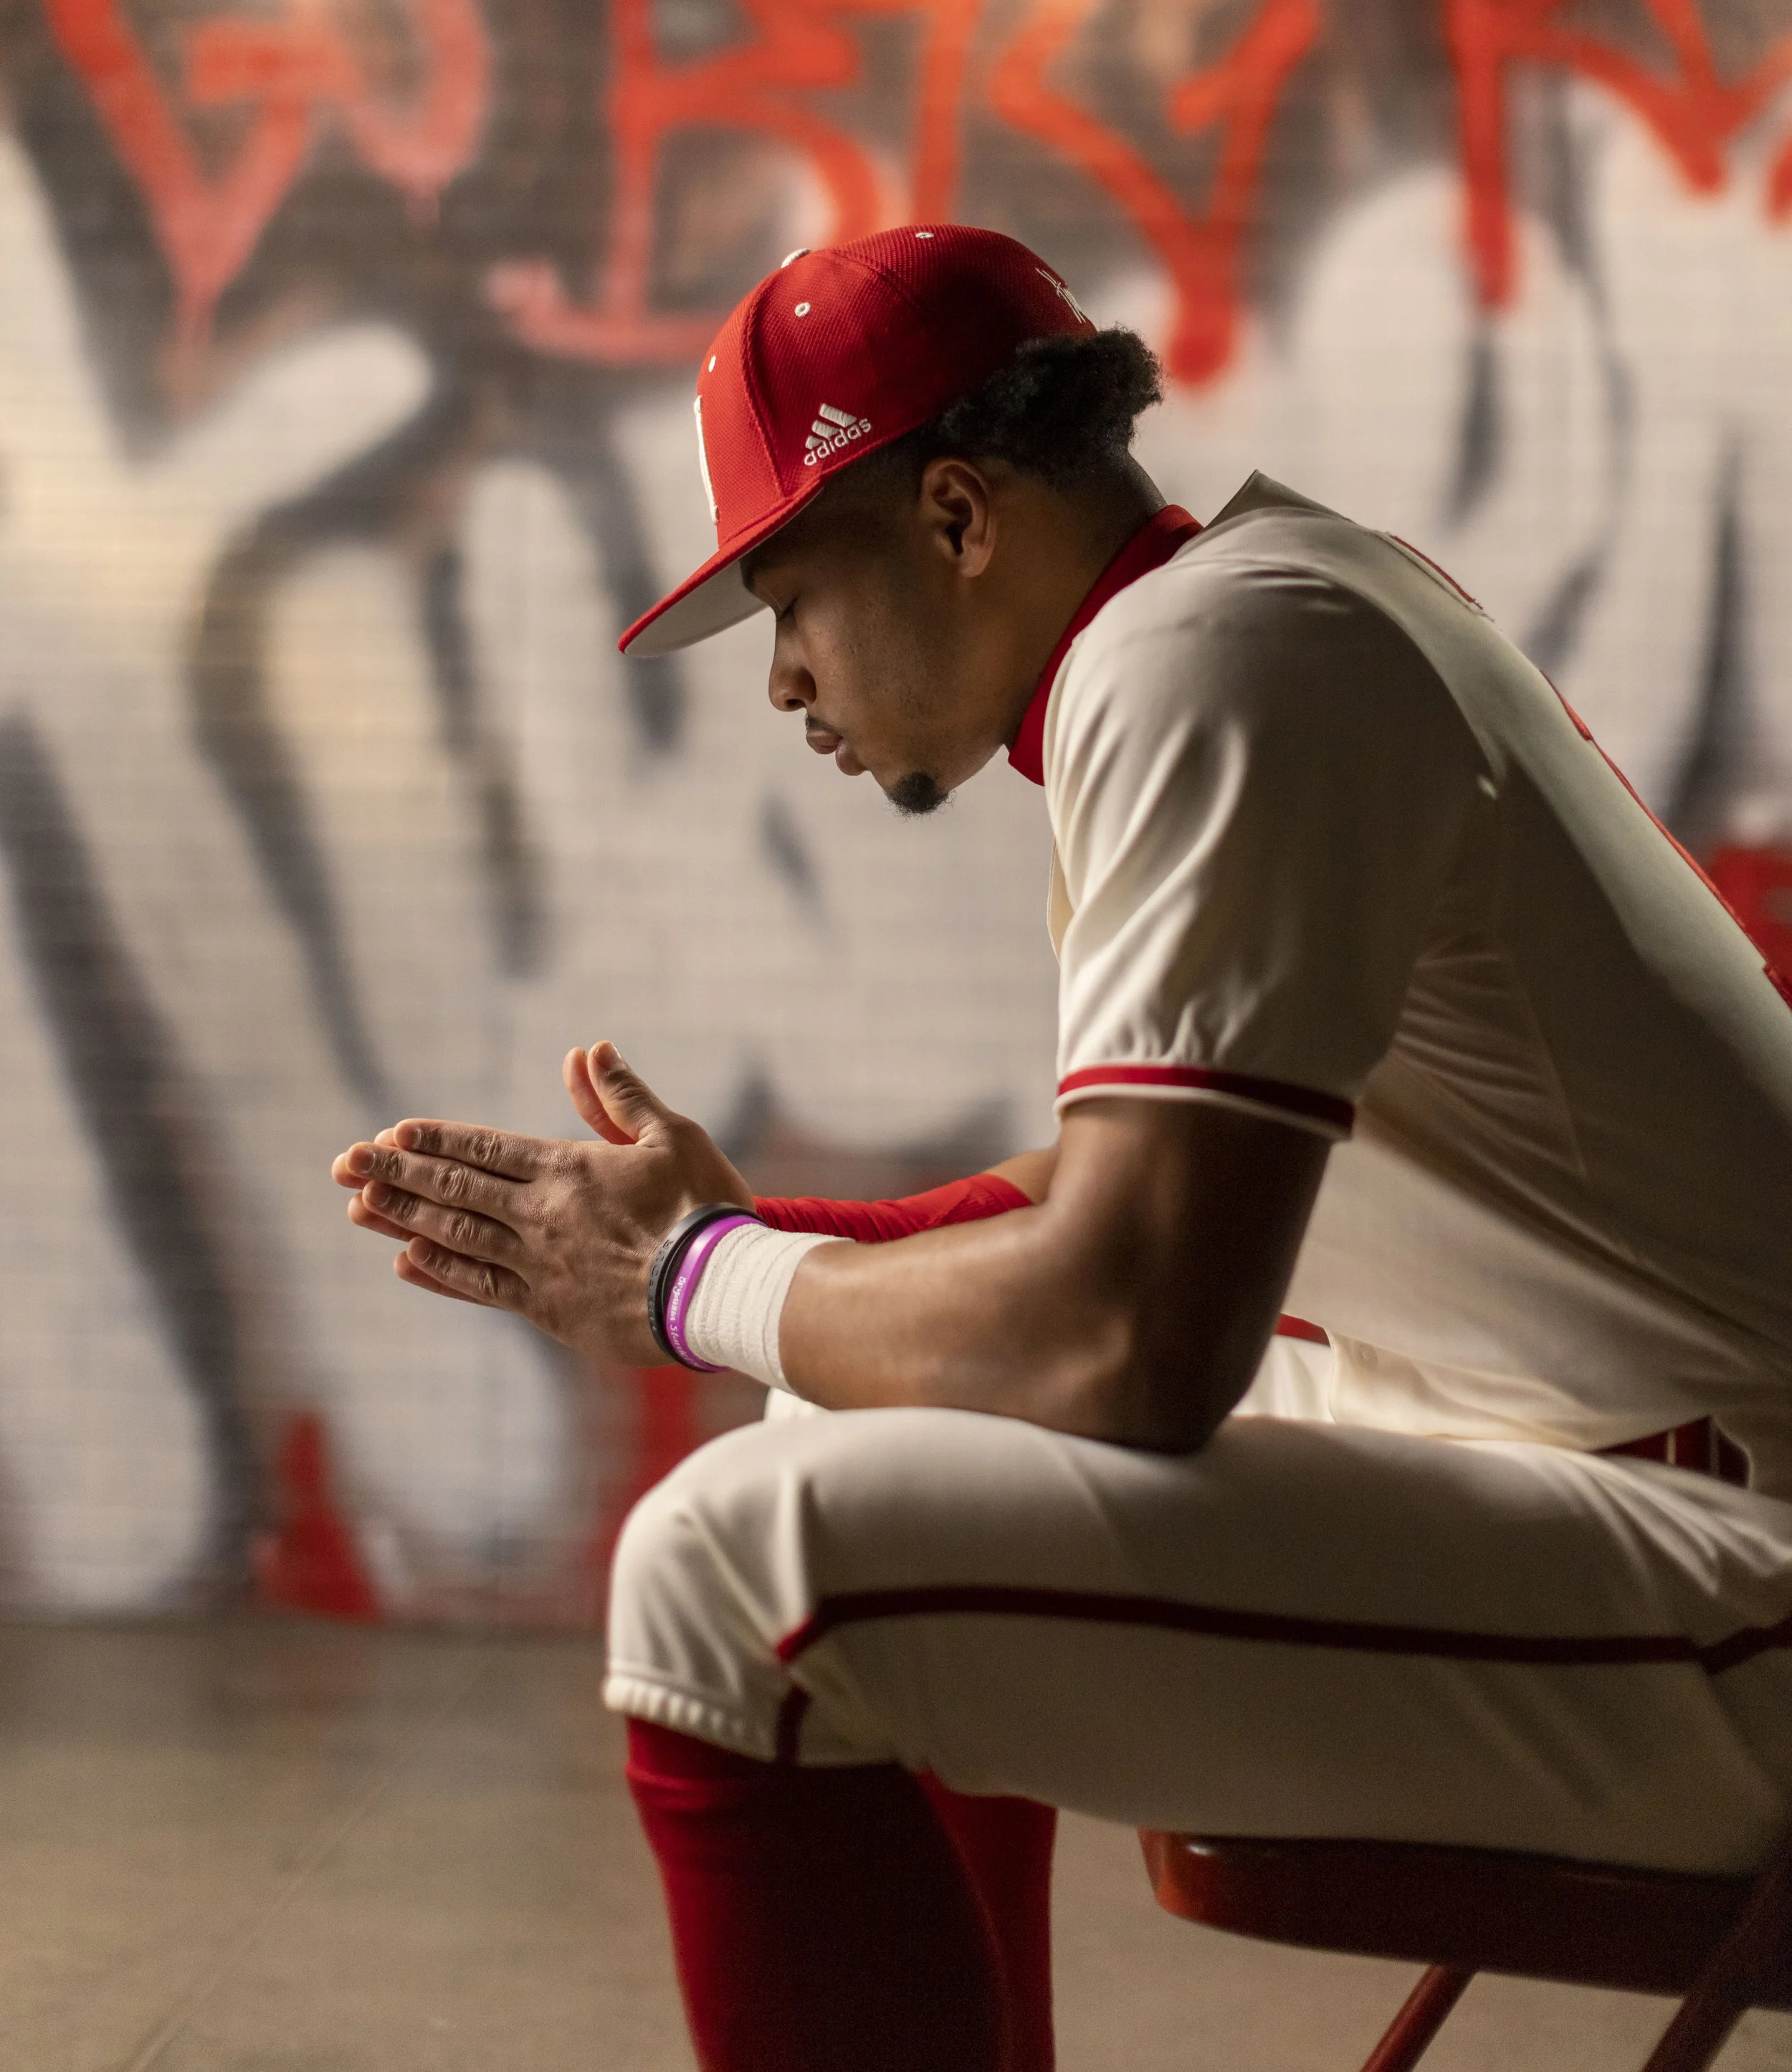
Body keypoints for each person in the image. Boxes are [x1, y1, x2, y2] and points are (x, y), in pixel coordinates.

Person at [333, 223, 1792, 2072]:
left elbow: (1134, 1339)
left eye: (791, 596)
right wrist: (710, 1238)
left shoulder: (1211, 663)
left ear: (955, 516)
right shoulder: (1259, 604)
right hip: (1632, 1459)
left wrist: (695, 1282)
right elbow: (1096, 1204)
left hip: (1745, 1578)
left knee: (737, 1581)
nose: (783, 681)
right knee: (846, 1405)